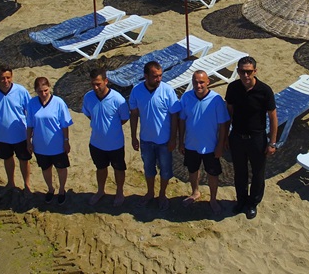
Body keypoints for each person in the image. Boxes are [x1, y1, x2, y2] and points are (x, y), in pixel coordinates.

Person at [225, 56, 278, 220]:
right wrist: (225, 136)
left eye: (249, 72)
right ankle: (241, 200)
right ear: (238, 71)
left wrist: (272, 142)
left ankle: (252, 203)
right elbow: (229, 113)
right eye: (242, 72)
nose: (246, 75)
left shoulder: (264, 91)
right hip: (237, 136)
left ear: (255, 71)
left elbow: (273, 117)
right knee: (239, 172)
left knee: (258, 173)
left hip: (257, 138)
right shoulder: (233, 88)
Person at [177, 71, 230, 214]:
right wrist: (181, 141)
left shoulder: (216, 100)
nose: (198, 85)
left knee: (213, 173)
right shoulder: (186, 97)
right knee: (192, 170)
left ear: (208, 82)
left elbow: (223, 124)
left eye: (201, 82)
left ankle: (213, 199)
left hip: (210, 146)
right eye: (195, 82)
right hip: (191, 144)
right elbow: (182, 120)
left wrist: (220, 145)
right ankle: (195, 192)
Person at [128, 61, 178, 210]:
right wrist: (133, 136)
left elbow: (175, 115)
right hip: (146, 140)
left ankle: (162, 194)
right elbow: (134, 114)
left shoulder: (168, 91)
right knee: (148, 168)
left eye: (160, 75)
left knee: (165, 170)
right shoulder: (136, 91)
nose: (159, 79)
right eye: (155, 76)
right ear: (146, 76)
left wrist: (173, 138)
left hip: (164, 141)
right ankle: (150, 192)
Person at [81, 68, 130, 206]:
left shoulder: (118, 99)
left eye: (98, 84)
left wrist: (111, 128)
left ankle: (119, 192)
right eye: (93, 84)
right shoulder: (88, 97)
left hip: (115, 144)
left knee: (119, 169)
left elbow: (124, 118)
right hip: (96, 143)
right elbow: (88, 113)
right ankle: (100, 191)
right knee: (100, 168)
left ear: (106, 81)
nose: (96, 87)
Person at [0, 65, 31, 192]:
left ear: (12, 76)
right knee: (7, 159)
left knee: (24, 160)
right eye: (2, 78)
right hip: (1, 135)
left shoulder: (21, 91)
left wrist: (30, 133)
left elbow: (30, 112)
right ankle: (11, 183)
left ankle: (27, 185)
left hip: (20, 134)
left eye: (8, 77)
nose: (6, 81)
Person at [26, 77, 73, 204]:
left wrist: (66, 140)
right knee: (46, 169)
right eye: (40, 91)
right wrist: (28, 141)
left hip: (57, 144)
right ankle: (50, 189)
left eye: (45, 90)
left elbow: (64, 124)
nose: (43, 94)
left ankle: (62, 190)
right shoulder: (32, 103)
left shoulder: (58, 102)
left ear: (49, 87)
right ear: (35, 90)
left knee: (61, 168)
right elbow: (30, 124)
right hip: (40, 145)